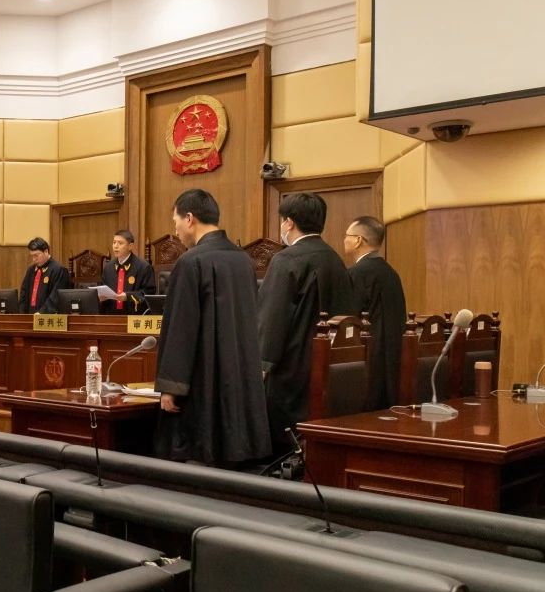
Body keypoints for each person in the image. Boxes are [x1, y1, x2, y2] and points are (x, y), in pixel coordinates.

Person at [154, 190, 271, 466]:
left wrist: (171, 387)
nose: (176, 230)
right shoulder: (243, 260)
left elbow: (180, 330)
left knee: (200, 455)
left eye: (176, 222)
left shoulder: (190, 262)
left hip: (203, 376)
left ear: (190, 218)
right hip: (240, 371)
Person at [258, 192, 357, 450]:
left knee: (284, 441)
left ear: (289, 222)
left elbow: (272, 316)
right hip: (333, 367)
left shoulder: (286, 259)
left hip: (292, 366)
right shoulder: (335, 259)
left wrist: (261, 363)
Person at [344, 215, 408, 410]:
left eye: (347, 235)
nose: (344, 239)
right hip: (393, 357)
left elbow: (350, 319)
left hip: (368, 358)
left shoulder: (357, 273)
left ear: (358, 240)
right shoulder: (391, 272)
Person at [100, 229, 155, 313]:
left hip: (134, 315)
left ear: (130, 246)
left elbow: (149, 294)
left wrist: (127, 296)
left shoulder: (144, 267)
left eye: (120, 243)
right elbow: (102, 289)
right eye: (114, 242)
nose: (115, 246)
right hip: (111, 316)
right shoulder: (108, 267)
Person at [18, 237, 71, 314]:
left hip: (48, 316)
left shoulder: (59, 270)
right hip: (30, 315)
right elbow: (24, 294)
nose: (34, 259)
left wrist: (42, 312)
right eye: (32, 256)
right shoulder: (31, 270)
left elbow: (56, 296)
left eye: (36, 255)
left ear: (46, 251)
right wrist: (21, 314)